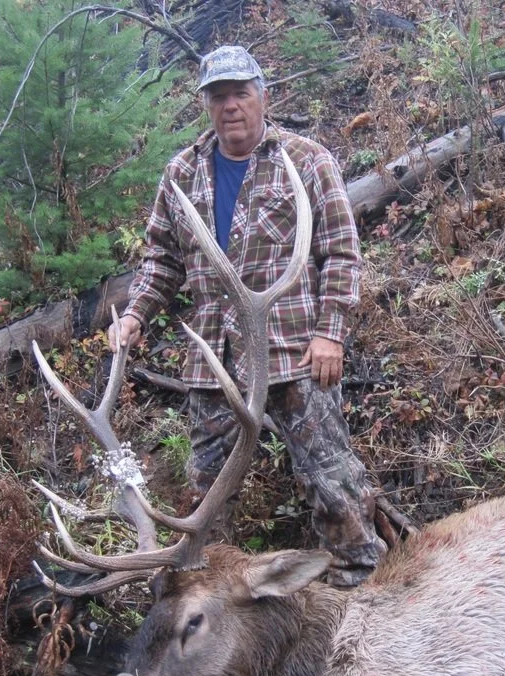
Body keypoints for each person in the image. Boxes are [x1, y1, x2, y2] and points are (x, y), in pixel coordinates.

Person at [110, 45, 386, 587]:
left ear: (263, 96)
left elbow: (341, 252)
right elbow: (161, 259)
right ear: (205, 104)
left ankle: (364, 583)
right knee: (206, 493)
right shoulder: (182, 172)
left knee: (331, 481)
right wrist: (136, 314)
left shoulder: (306, 160)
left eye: (241, 93)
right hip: (215, 358)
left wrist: (331, 332)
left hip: (293, 354)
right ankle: (211, 602)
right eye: (218, 96)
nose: (230, 106)